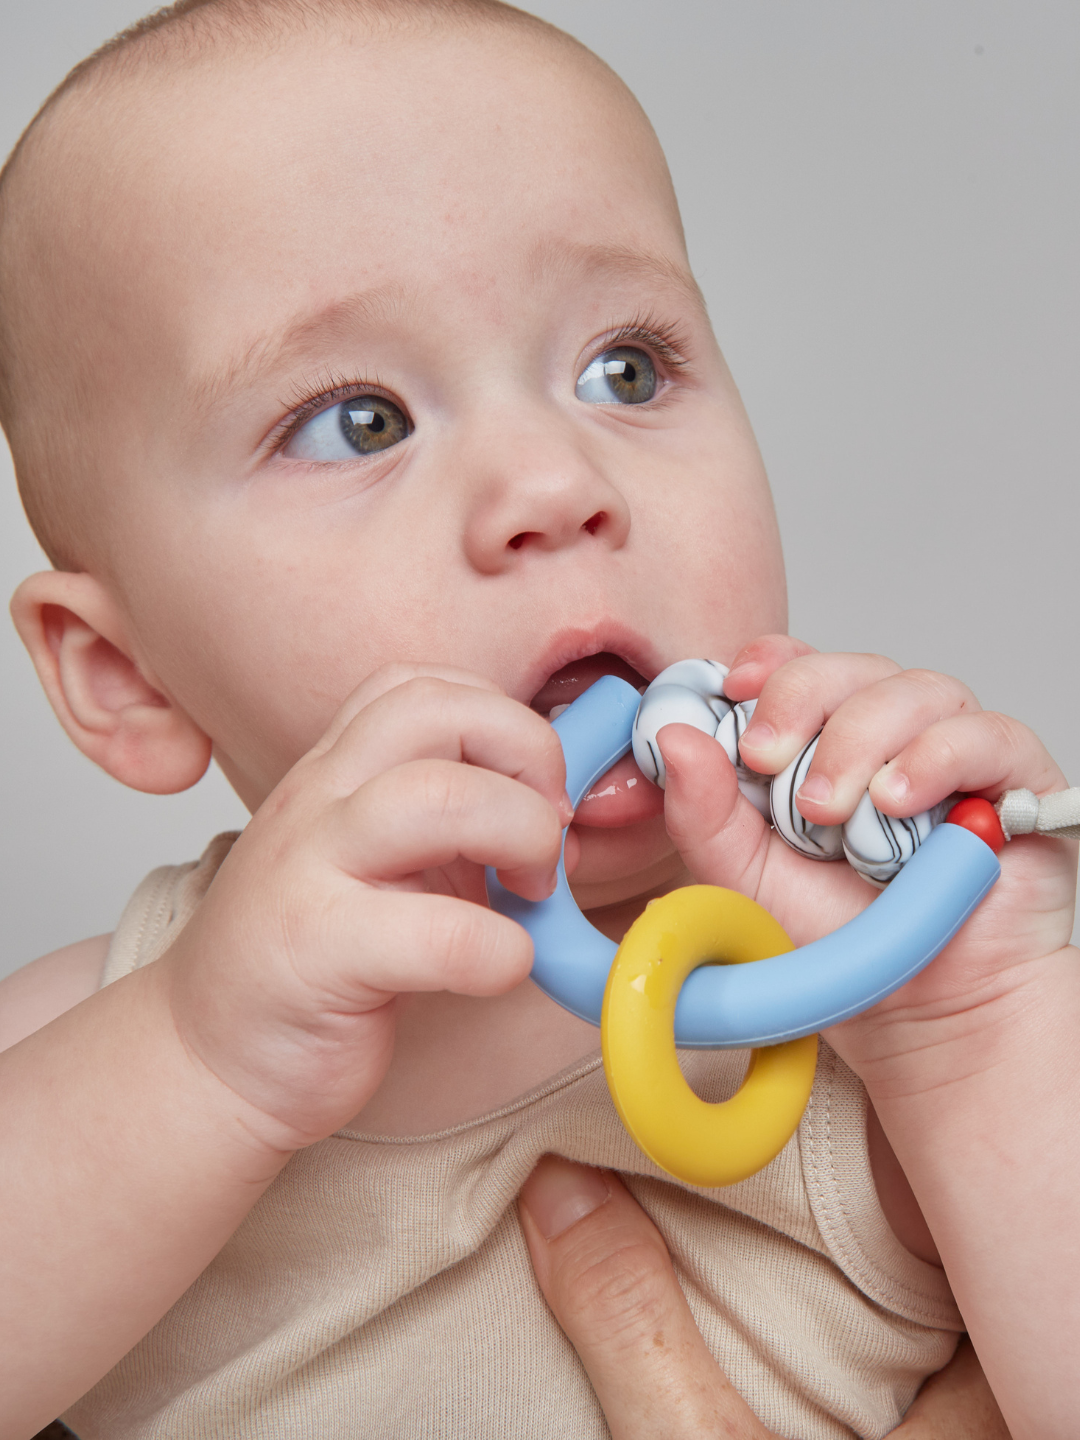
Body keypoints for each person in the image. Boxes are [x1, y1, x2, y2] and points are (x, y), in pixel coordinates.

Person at [0, 1, 1073, 1435]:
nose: (552, 482)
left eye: (626, 368)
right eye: (360, 420)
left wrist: (988, 1031)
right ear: (125, 675)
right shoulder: (101, 1037)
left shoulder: (885, 1014)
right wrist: (199, 1060)